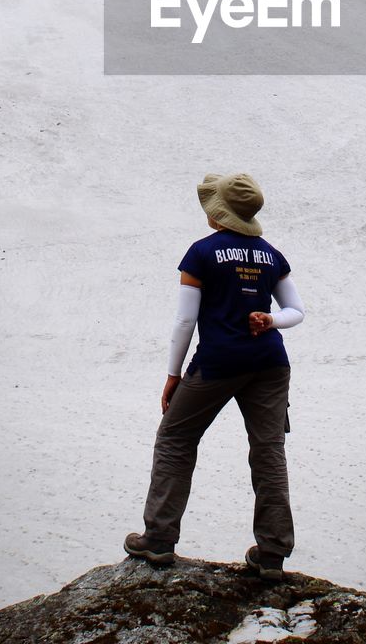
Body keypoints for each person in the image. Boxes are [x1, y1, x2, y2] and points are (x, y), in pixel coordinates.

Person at [124, 171, 305, 580]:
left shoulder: (202, 253)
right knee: (268, 451)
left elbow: (186, 320)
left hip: (220, 362)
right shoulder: (271, 254)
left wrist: (173, 376)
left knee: (175, 437)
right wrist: (271, 320)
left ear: (219, 214)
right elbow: (297, 312)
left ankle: (158, 540)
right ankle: (272, 554)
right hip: (271, 364)